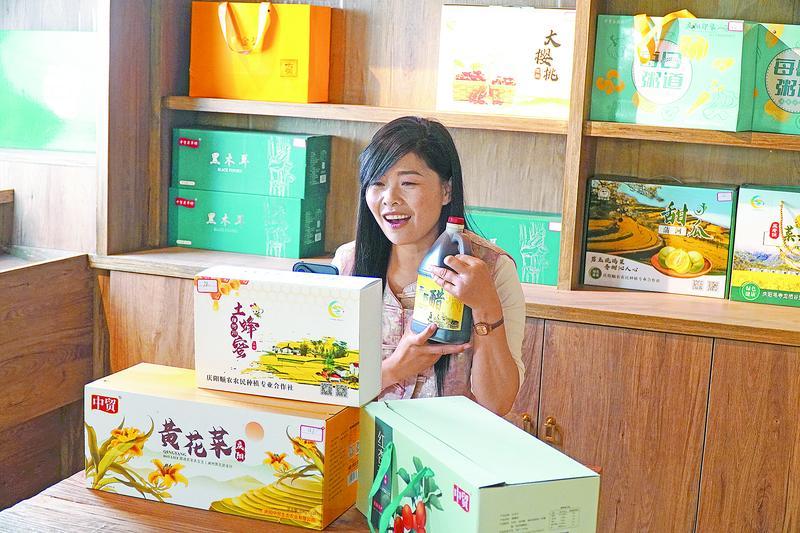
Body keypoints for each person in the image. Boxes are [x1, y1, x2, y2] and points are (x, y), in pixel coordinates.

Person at [332, 116, 525, 416]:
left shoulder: (491, 268)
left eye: (408, 183)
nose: (390, 199)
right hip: (361, 441)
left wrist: (485, 305)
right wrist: (395, 368)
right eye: (377, 183)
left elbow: (497, 403)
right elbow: (326, 385)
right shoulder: (347, 263)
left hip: (451, 442)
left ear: (447, 191)